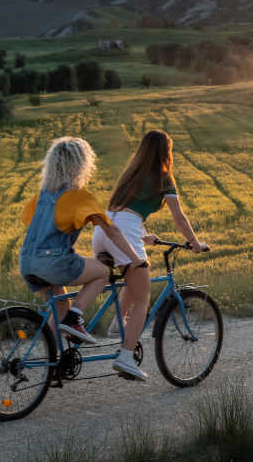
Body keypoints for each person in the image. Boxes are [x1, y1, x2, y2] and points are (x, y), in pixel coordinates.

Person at [93, 130, 208, 381]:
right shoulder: (164, 177)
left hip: (103, 229)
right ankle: (125, 357)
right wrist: (195, 242)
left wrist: (143, 235)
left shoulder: (131, 172)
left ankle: (117, 325)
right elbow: (179, 216)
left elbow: (126, 210)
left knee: (134, 277)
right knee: (143, 297)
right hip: (123, 231)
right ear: (166, 151)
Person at [19, 136, 147, 356]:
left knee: (59, 306)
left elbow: (35, 224)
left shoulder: (40, 197)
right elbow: (112, 230)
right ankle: (75, 316)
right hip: (52, 263)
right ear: (81, 165)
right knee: (102, 273)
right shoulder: (78, 196)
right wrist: (135, 259)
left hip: (27, 263)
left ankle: (52, 362)